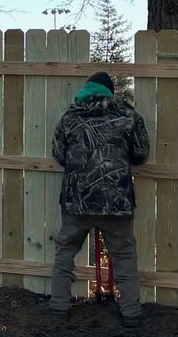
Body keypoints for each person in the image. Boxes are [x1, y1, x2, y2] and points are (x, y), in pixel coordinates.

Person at [48, 69, 150, 323]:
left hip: (77, 201)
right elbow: (140, 153)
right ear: (110, 93)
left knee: (66, 252)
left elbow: (59, 154)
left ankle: (59, 308)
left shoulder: (70, 118)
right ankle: (131, 313)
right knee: (124, 256)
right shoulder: (128, 116)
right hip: (116, 201)